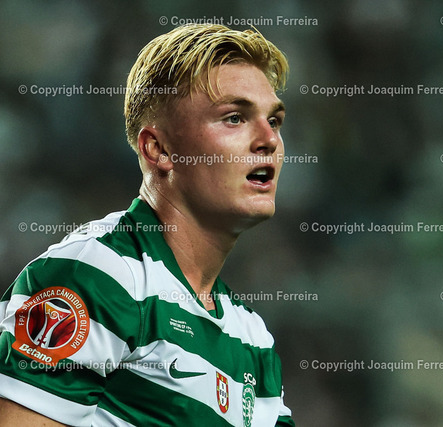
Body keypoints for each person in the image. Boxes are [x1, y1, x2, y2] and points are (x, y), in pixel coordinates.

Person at [0, 24, 294, 426]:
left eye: (274, 121)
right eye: (234, 118)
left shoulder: (253, 338)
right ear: (158, 149)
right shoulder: (98, 276)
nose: (269, 140)